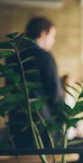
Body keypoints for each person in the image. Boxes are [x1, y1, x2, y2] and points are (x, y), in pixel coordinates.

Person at [7, 16, 64, 148]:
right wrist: (67, 119)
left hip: (17, 123)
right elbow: (55, 94)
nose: (53, 41)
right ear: (43, 34)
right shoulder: (45, 57)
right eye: (53, 36)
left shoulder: (13, 58)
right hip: (42, 125)